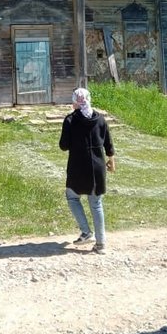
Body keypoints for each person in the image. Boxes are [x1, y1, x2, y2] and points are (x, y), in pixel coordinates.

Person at [59, 87, 115, 254]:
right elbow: (108, 143)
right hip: (97, 168)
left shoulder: (70, 120)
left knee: (72, 196)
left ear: (75, 101)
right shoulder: (100, 119)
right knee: (96, 204)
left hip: (78, 166)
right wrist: (111, 159)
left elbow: (63, 146)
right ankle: (101, 244)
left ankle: (86, 231)